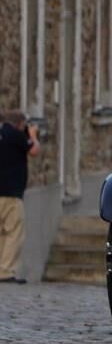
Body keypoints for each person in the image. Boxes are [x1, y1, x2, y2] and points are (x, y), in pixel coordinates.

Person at [0, 110, 41, 284]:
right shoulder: (17, 136)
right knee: (13, 232)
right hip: (11, 193)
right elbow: (34, 150)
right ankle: (5, 271)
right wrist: (32, 135)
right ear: (20, 124)